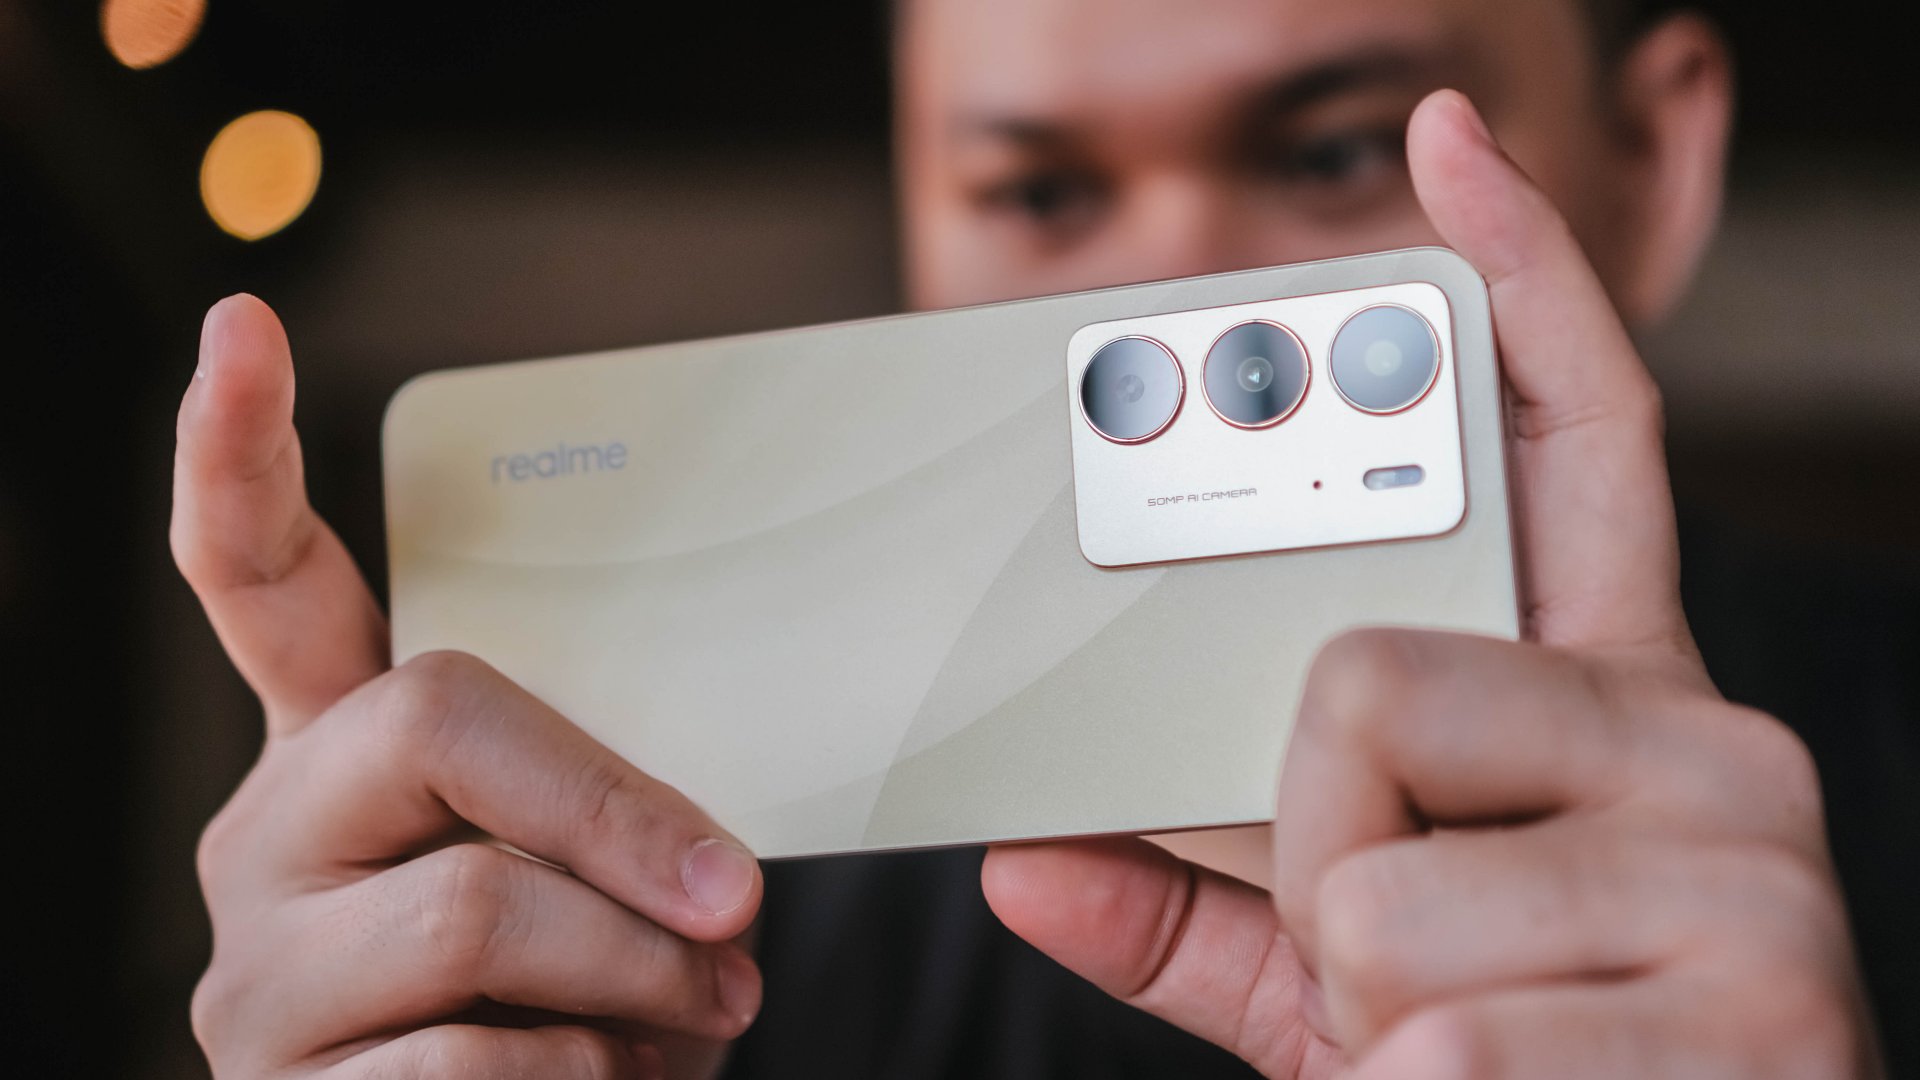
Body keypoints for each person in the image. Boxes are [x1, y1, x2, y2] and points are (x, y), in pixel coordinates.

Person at [175, 0, 1914, 1076]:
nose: (1172, 302)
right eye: (1041, 193)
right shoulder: (672, 942)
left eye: (1331, 151)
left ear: (1653, 159)